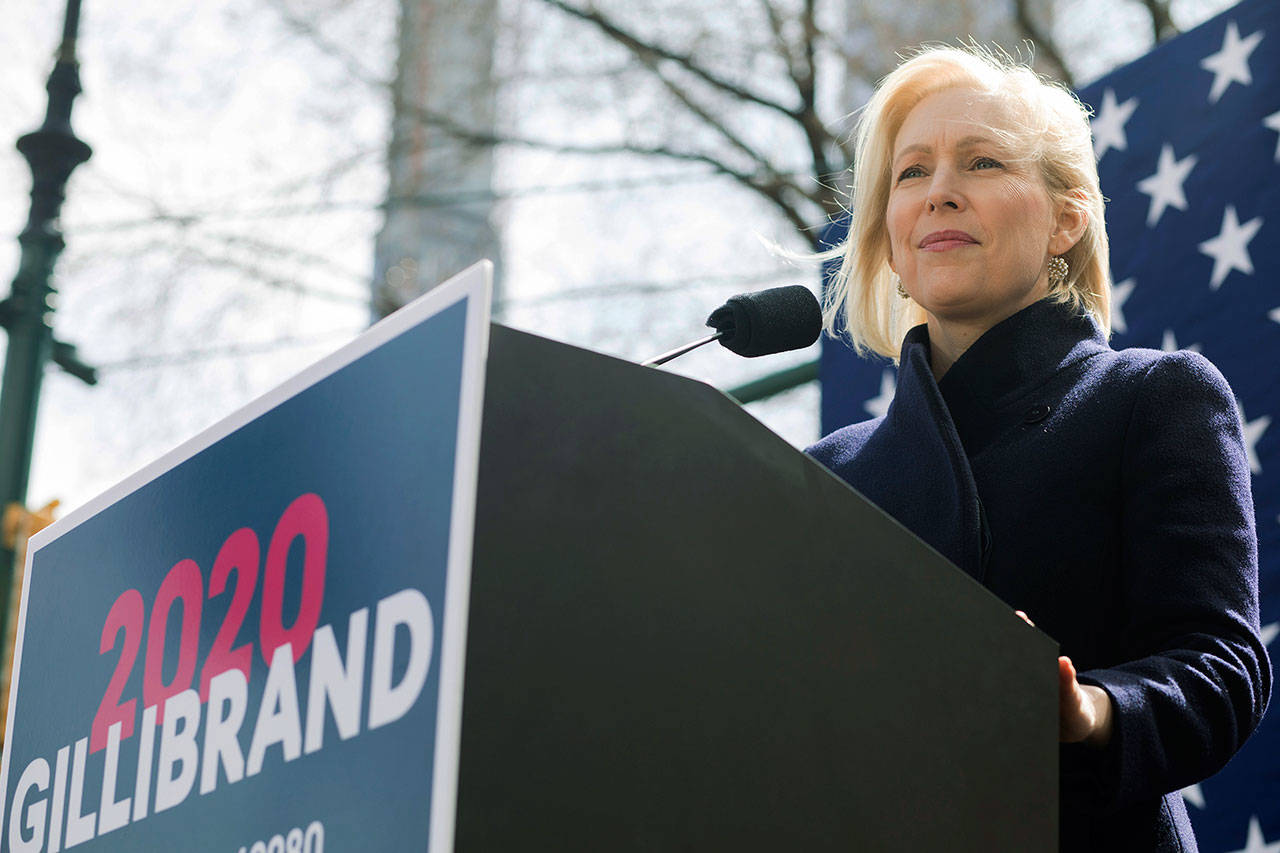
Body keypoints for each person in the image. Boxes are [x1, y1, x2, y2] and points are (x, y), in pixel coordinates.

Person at [806, 46, 1270, 851]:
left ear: (1067, 216)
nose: (939, 190)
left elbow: (1222, 666)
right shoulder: (826, 477)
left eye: (982, 161)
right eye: (910, 174)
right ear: (889, 234)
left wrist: (1088, 710)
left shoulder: (1154, 396)